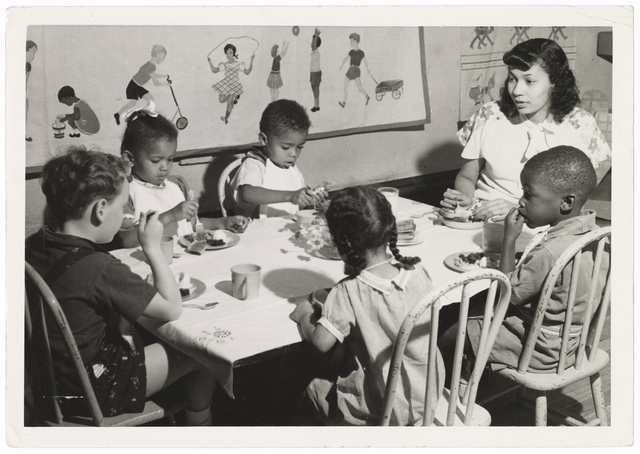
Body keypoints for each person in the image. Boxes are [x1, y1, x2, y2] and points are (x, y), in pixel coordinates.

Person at [25, 148, 217, 425]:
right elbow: (172, 309)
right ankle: (201, 426)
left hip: (49, 381)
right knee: (200, 353)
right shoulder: (100, 267)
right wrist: (151, 247)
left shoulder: (36, 243)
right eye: (125, 205)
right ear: (101, 209)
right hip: (91, 390)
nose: (129, 215)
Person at [438, 146, 609, 388]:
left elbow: (507, 294)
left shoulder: (551, 251)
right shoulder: (596, 235)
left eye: (529, 194)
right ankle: (469, 371)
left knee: (449, 330)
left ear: (566, 202)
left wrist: (509, 238)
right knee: (468, 305)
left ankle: (443, 390)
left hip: (541, 350)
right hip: (573, 342)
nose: (520, 201)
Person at [289, 186, 445, 425]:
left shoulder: (348, 290)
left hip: (379, 407)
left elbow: (321, 342)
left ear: (341, 243)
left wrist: (304, 314)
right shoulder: (417, 272)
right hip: (425, 395)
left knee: (310, 388)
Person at [440, 38, 611, 222]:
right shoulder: (489, 114)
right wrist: (463, 199)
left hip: (545, 230)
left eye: (529, 81)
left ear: (555, 83)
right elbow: (467, 176)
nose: (516, 90)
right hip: (483, 219)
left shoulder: (581, 124)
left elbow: (579, 202)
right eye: (513, 79)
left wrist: (518, 210)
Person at [115, 112, 249, 248]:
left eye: (170, 159)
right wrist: (170, 216)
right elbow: (126, 239)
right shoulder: (126, 192)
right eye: (156, 161)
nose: (165, 167)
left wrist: (223, 222)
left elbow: (192, 226)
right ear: (130, 159)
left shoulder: (176, 185)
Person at [230, 99, 327, 218]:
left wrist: (309, 198)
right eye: (285, 147)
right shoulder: (255, 164)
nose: (294, 154)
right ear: (264, 139)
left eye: (299, 147)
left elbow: (295, 207)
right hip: (258, 233)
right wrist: (290, 196)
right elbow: (247, 194)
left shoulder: (292, 169)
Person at [114, 45, 170, 126]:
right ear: (158, 54)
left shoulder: (152, 66)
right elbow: (154, 76)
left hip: (137, 86)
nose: (163, 60)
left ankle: (144, 116)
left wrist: (165, 83)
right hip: (133, 86)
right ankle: (123, 114)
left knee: (150, 99)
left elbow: (156, 83)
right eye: (162, 57)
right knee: (133, 103)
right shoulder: (149, 66)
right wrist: (164, 76)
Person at [208, 43, 255, 124]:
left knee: (230, 101)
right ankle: (234, 97)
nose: (228, 55)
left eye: (230, 53)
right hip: (226, 83)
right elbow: (214, 70)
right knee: (221, 100)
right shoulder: (224, 64)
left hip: (234, 84)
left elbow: (247, 72)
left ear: (234, 53)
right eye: (227, 53)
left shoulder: (238, 64)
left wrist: (252, 60)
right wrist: (209, 62)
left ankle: (226, 118)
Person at [338, 33, 370, 108]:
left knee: (359, 88)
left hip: (356, 70)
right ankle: (344, 103)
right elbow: (345, 59)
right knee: (345, 86)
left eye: (351, 41)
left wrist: (368, 69)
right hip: (350, 69)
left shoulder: (361, 53)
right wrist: (341, 65)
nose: (350, 43)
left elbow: (366, 62)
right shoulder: (351, 52)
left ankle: (367, 96)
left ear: (355, 41)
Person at [26, 40, 38, 142]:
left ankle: (24, 133)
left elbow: (25, 82)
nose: (33, 57)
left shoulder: (28, 65)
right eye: (33, 53)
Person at [309, 28, 322, 112]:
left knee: (315, 89)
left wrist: (316, 35)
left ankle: (317, 106)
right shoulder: (314, 51)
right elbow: (314, 42)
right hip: (313, 72)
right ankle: (316, 105)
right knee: (314, 89)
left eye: (313, 41)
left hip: (316, 72)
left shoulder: (315, 50)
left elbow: (314, 43)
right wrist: (315, 34)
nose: (311, 42)